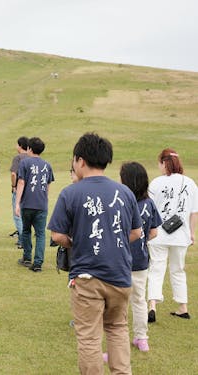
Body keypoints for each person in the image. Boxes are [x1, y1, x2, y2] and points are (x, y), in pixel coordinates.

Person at [48, 133, 142, 374]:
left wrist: (77, 241)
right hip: (120, 274)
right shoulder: (125, 192)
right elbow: (136, 232)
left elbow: (56, 236)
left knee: (89, 337)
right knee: (118, 328)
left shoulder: (71, 192)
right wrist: (115, 240)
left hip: (88, 276)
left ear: (80, 160)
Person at [147, 148, 198, 322]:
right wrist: (192, 233)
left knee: (156, 269)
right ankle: (182, 307)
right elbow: (194, 212)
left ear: (163, 163)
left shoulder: (156, 183)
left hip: (158, 235)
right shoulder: (190, 183)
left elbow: (149, 210)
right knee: (178, 270)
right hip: (181, 235)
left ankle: (152, 305)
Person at [119, 162, 162, 352]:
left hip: (119, 259)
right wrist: (142, 242)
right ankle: (141, 338)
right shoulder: (149, 203)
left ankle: (118, 341)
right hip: (141, 260)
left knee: (119, 302)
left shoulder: (120, 201)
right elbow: (154, 232)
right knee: (139, 299)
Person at [15, 137, 54, 272]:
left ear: (29, 149)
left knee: (26, 230)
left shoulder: (25, 163)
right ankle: (38, 263)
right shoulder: (47, 165)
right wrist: (44, 198)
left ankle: (27, 258)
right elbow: (48, 184)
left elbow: (21, 182)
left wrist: (17, 203)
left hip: (27, 203)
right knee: (41, 234)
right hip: (41, 204)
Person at [9, 136, 29, 249]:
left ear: (20, 146)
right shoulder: (31, 157)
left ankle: (22, 240)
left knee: (17, 215)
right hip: (29, 191)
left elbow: (13, 174)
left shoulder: (18, 158)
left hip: (19, 188)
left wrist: (13, 186)